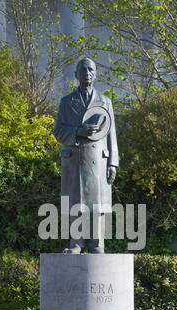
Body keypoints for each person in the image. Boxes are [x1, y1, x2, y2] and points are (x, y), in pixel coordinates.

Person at [54, 58, 119, 253]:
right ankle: (76, 243)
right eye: (83, 70)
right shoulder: (66, 102)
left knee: (97, 203)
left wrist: (113, 163)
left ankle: (96, 243)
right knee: (76, 203)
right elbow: (58, 131)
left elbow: (111, 135)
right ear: (76, 75)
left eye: (91, 69)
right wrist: (78, 132)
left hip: (99, 160)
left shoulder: (105, 101)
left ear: (95, 74)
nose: (87, 73)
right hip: (75, 159)